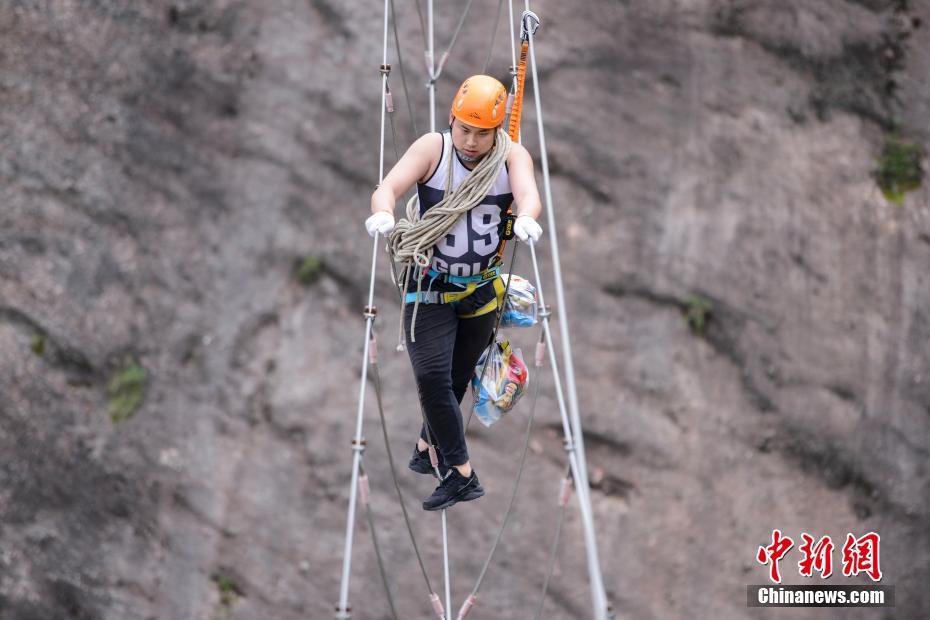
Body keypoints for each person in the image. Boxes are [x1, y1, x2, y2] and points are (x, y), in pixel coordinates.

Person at [365, 74, 543, 511]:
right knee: (430, 378)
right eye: (464, 128)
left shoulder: (510, 155)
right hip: (431, 285)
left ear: (497, 130)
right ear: (453, 118)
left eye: (483, 133)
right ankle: (462, 475)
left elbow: (528, 195)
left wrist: (526, 217)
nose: (470, 140)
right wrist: (384, 213)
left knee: (457, 382)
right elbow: (387, 187)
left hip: (482, 291)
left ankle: (428, 449)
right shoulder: (433, 149)